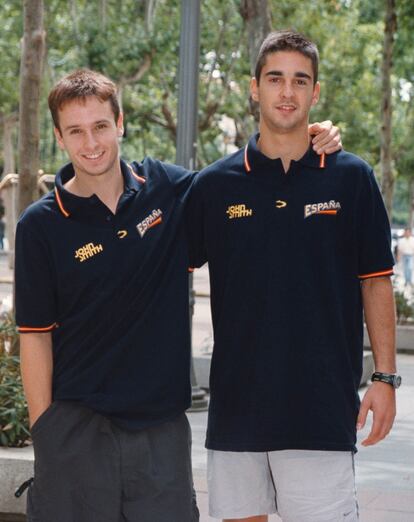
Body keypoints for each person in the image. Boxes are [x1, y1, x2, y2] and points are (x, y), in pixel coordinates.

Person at [14, 68, 340, 522]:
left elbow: (240, 180)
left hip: (160, 430)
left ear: (121, 122)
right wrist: (47, 433)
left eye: (101, 126)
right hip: (77, 427)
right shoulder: (39, 226)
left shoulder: (166, 190)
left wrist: (306, 136)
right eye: (76, 131)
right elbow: (35, 336)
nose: (91, 142)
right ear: (59, 136)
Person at [187, 31, 399, 522]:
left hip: (321, 412)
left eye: (300, 81)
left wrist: (384, 378)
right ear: (253, 87)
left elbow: (376, 280)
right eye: (275, 78)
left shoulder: (351, 177)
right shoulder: (214, 185)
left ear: (315, 93)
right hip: (237, 411)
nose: (287, 92)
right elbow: (161, 265)